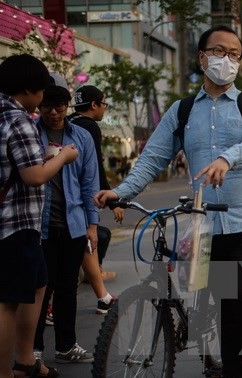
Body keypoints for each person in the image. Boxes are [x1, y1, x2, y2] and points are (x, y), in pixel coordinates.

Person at [94, 25, 242, 378]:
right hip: (205, 220)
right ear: (202, 56)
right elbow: (152, 157)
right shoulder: (183, 110)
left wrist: (228, 157)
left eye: (234, 54)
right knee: (226, 302)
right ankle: (233, 370)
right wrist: (121, 192)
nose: (226, 59)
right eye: (218, 51)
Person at [0, 54, 78, 378]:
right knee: (7, 301)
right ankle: (6, 369)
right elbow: (33, 175)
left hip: (18, 222)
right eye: (42, 91)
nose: (45, 99)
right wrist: (62, 158)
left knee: (39, 283)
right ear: (30, 89)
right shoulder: (19, 120)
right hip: (15, 221)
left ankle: (24, 358)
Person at [33, 73, 99, 364]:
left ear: (67, 104)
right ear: (39, 105)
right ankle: (32, 349)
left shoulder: (81, 136)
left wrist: (92, 224)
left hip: (73, 224)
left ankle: (66, 345)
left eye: (60, 105)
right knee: (38, 290)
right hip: (38, 226)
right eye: (47, 105)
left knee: (67, 287)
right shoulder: (30, 133)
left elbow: (90, 183)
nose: (54, 112)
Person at [68, 84, 122, 314]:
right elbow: (94, 168)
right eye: (104, 104)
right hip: (78, 199)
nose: (104, 110)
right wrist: (112, 201)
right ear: (93, 105)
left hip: (66, 194)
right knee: (84, 243)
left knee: (88, 244)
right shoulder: (89, 127)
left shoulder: (68, 123)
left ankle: (102, 295)